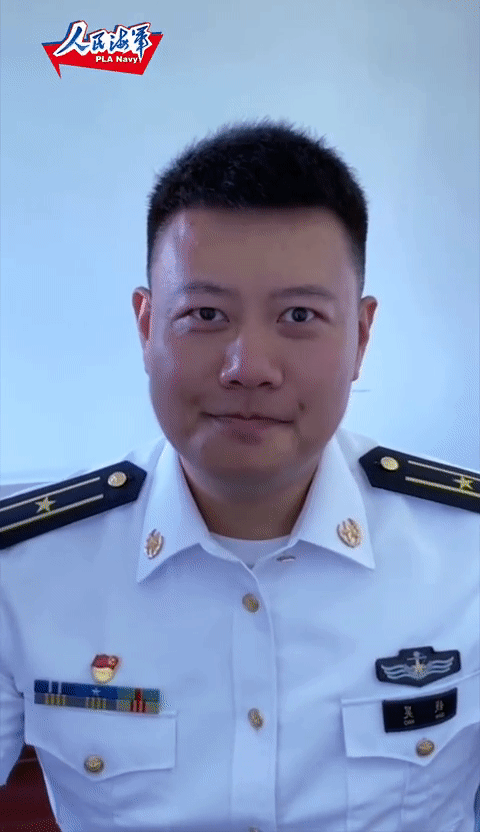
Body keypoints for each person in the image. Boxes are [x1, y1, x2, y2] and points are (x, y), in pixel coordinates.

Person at [0, 118, 479, 832]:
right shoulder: (24, 571)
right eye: (205, 313)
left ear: (361, 335)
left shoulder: (466, 555)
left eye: (299, 314)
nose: (248, 368)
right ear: (146, 325)